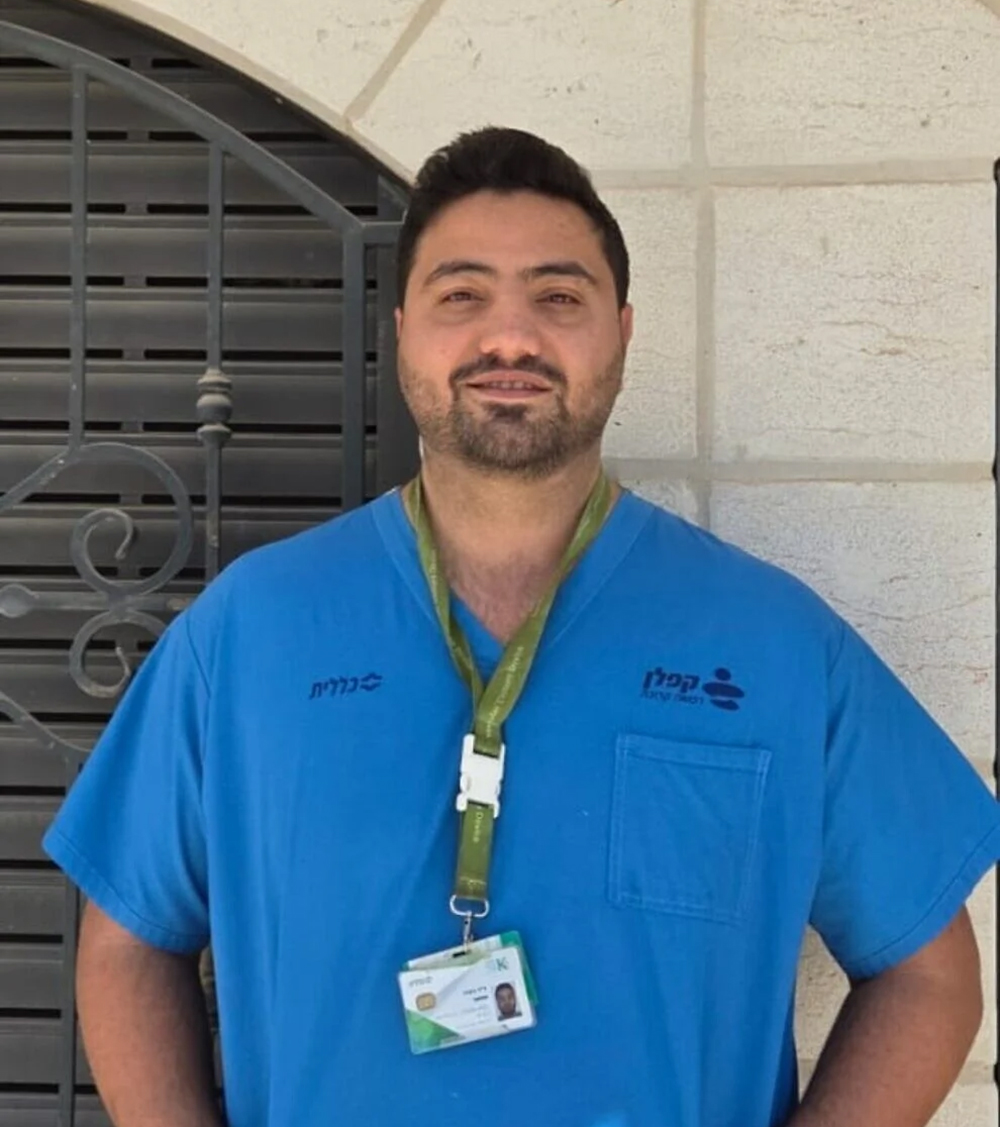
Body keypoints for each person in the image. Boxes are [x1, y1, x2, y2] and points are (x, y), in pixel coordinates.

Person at [44, 126, 999, 1127]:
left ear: (621, 333)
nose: (510, 337)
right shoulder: (253, 630)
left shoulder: (773, 645)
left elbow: (929, 976)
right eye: (462, 295)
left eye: (559, 297)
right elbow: (126, 944)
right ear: (403, 330)